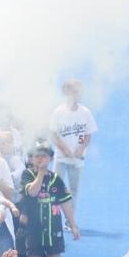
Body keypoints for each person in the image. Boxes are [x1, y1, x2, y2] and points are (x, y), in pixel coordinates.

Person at [19, 144, 80, 257]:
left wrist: (73, 225)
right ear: (31, 159)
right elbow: (32, 192)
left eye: (44, 156)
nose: (40, 159)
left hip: (53, 229)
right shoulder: (27, 175)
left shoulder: (56, 180)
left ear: (51, 159)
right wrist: (40, 174)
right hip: (34, 229)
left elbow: (65, 203)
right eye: (37, 156)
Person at [49, 79, 98, 207]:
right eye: (74, 92)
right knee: (55, 188)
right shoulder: (58, 112)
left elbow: (88, 133)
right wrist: (64, 148)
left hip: (77, 160)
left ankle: (70, 220)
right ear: (66, 93)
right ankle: (54, 217)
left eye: (79, 92)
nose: (77, 95)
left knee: (73, 189)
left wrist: (81, 148)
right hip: (61, 159)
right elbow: (53, 134)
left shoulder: (85, 112)